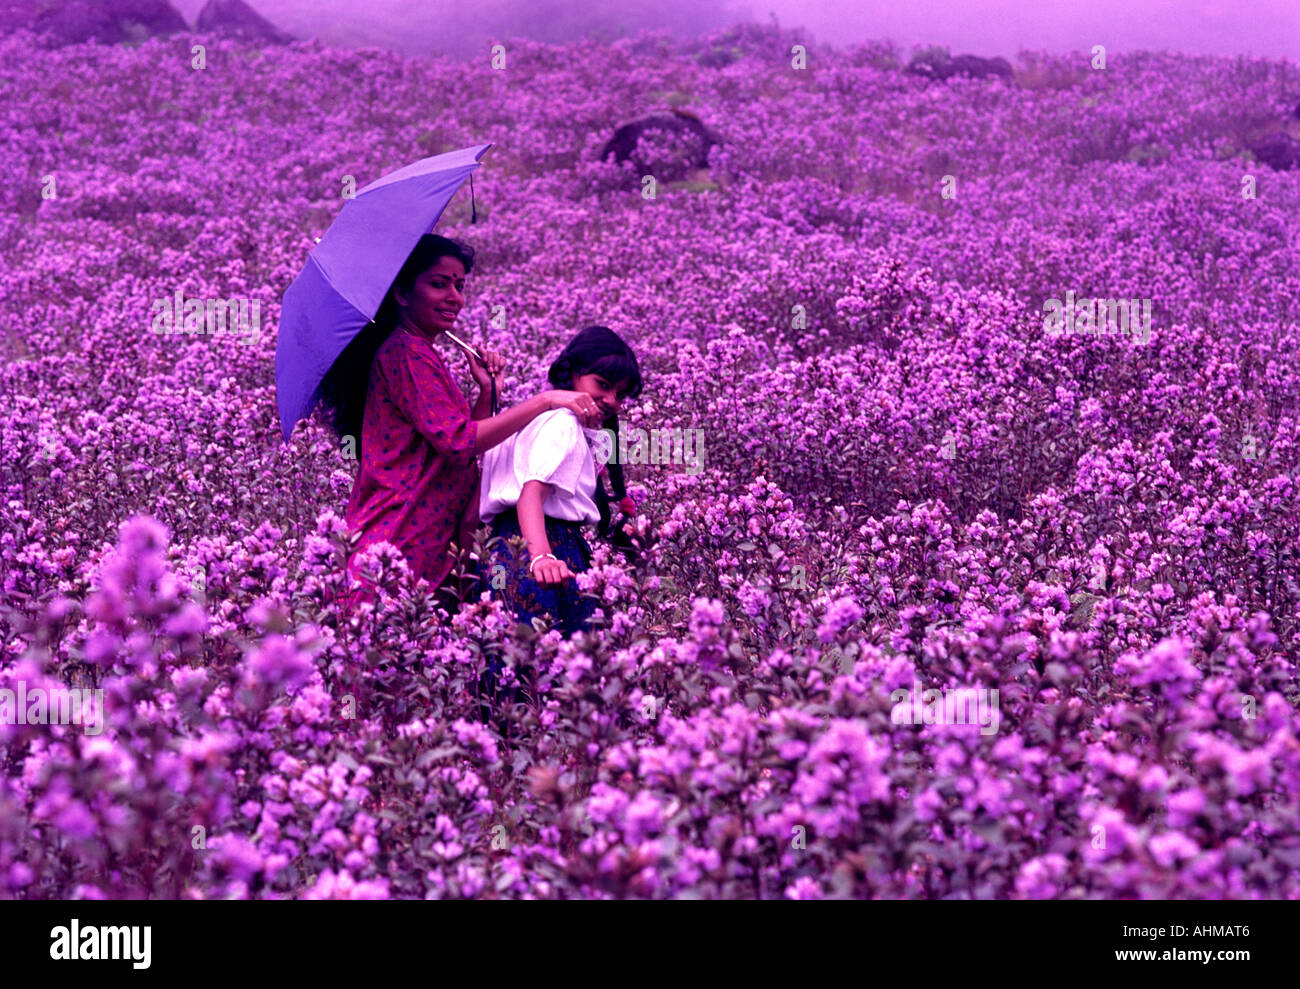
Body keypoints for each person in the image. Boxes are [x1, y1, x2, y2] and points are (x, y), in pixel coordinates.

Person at [316, 234, 605, 616]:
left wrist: (486, 392)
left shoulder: (420, 352)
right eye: (439, 284)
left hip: (426, 532)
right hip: (403, 532)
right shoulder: (406, 354)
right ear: (402, 294)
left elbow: (456, 441)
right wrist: (545, 400)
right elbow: (459, 442)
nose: (455, 297)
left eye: (459, 285)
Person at [476, 325, 644, 642]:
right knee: (559, 662)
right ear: (572, 374)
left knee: (510, 662)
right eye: (603, 385)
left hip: (501, 551)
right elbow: (531, 495)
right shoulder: (563, 423)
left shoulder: (526, 419)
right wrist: (542, 556)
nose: (611, 400)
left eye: (620, 394)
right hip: (548, 544)